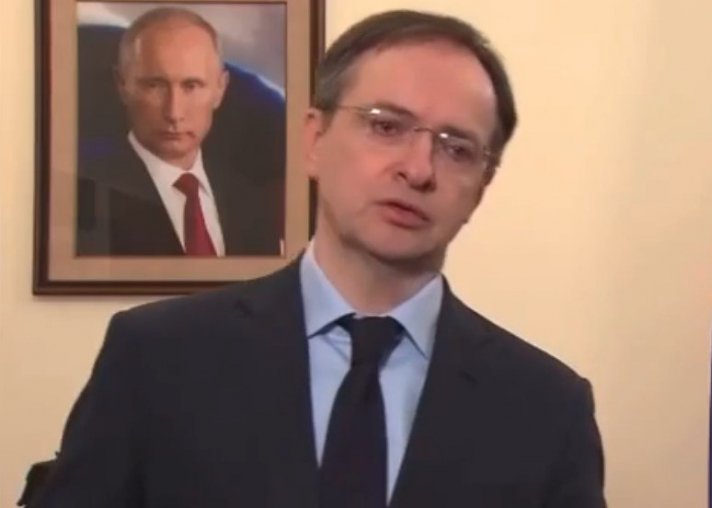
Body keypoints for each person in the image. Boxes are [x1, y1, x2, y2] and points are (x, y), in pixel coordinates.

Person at [32, 9, 606, 508]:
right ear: (313, 139)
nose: (418, 169)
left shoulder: (547, 409)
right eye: (386, 126)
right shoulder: (156, 359)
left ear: (482, 185)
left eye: (456, 148)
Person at [76, 7, 284, 256]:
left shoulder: (252, 208)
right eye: (155, 86)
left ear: (220, 89)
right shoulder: (83, 198)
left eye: (191, 86)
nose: (174, 113)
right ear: (122, 86)